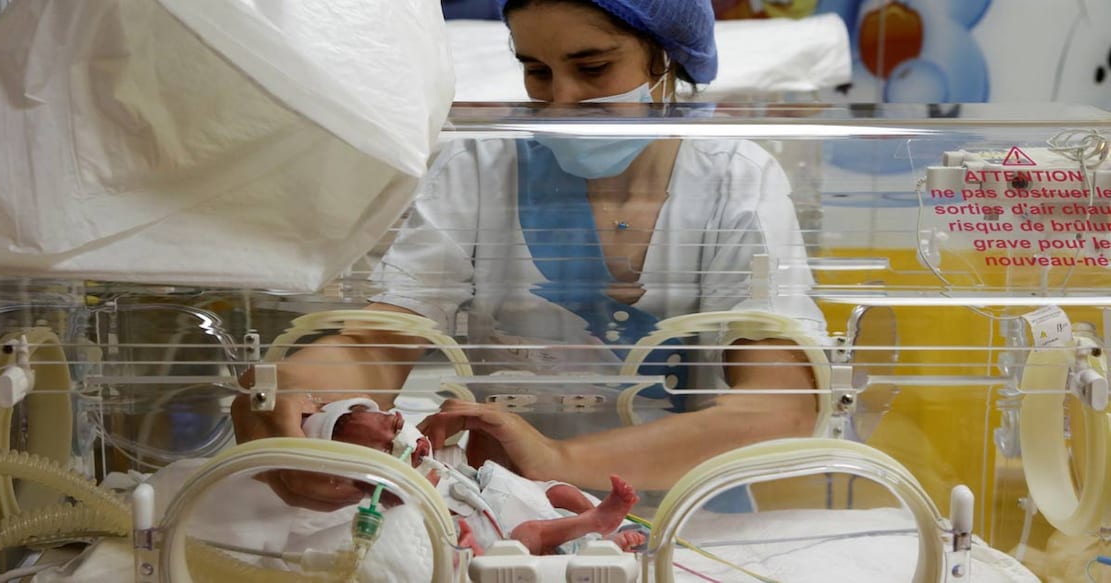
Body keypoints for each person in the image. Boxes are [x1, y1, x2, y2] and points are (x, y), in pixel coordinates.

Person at [232, 0, 826, 512]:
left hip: (693, 512)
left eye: (593, 69)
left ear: (667, 61)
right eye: (536, 73)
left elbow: (782, 410)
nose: (562, 102)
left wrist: (557, 458)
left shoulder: (734, 179)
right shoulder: (483, 168)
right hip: (506, 507)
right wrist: (291, 390)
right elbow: (382, 339)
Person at [305, 397, 648, 555]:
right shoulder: (400, 499)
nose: (401, 443)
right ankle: (596, 526)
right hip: (512, 541)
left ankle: (601, 528)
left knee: (556, 491)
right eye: (385, 452)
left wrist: (472, 422)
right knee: (531, 535)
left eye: (396, 427)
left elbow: (482, 464)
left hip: (516, 496)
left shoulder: (443, 458)